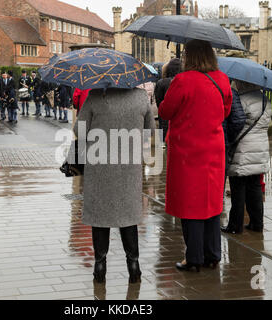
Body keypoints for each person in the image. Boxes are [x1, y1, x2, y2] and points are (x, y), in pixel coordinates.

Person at [159, 40, 233, 272]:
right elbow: (226, 110)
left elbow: (165, 111)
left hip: (187, 151)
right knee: (212, 203)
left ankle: (193, 258)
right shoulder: (221, 79)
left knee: (190, 204)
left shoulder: (183, 80)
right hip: (214, 148)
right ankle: (213, 255)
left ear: (189, 57)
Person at [73, 87, 156, 283]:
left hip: (100, 164)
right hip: (129, 165)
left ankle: (100, 266)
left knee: (100, 215)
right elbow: (150, 130)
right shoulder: (140, 96)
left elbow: (79, 130)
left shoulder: (96, 96)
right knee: (128, 214)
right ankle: (133, 266)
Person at [222, 81, 272, 234]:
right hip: (260, 147)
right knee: (255, 186)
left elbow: (236, 123)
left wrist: (229, 139)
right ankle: (257, 223)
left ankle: (235, 226)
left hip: (242, 148)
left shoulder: (240, 100)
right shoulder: (265, 100)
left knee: (238, 188)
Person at [154, 58, 183, 144]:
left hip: (164, 119)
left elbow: (158, 102)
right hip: (179, 120)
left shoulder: (161, 82)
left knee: (163, 145)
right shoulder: (183, 82)